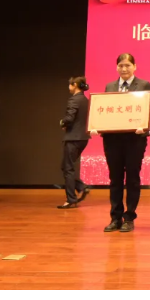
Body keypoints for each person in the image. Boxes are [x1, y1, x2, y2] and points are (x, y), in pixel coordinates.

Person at [92, 53, 150, 233]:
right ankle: (115, 217)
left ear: (135, 66)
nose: (124, 69)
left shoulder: (144, 85)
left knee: (132, 179)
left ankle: (129, 217)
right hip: (113, 140)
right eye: (121, 65)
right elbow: (105, 111)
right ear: (116, 67)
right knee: (115, 179)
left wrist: (143, 124)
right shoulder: (110, 86)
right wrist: (97, 125)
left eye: (127, 65)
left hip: (135, 139)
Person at [57, 76, 92, 209]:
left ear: (75, 85)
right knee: (66, 166)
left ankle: (71, 199)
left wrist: (62, 122)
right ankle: (81, 187)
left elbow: (69, 117)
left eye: (70, 85)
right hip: (83, 138)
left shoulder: (74, 100)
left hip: (73, 138)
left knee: (68, 168)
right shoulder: (85, 100)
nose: (69, 87)